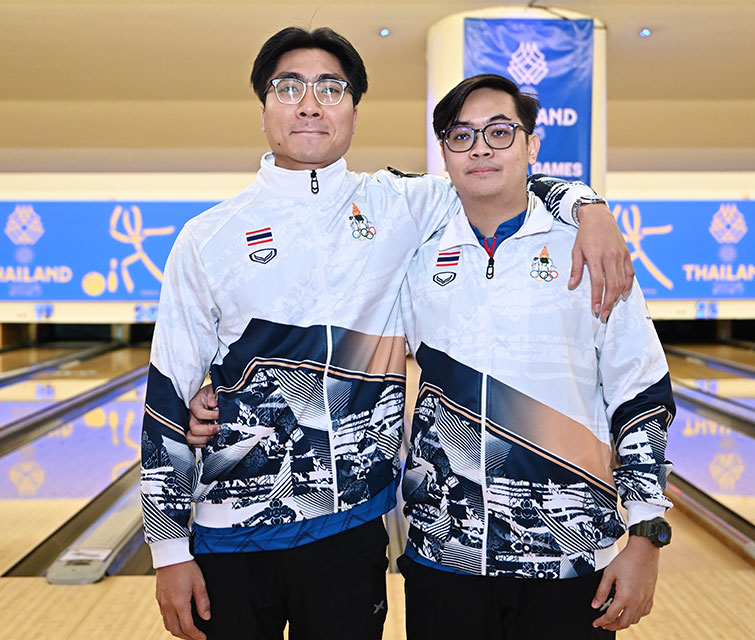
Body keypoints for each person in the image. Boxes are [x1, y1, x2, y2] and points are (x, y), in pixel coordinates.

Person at [144, 26, 632, 640]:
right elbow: (168, 392)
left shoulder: (400, 204)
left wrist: (590, 208)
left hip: (350, 530)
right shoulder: (207, 237)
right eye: (288, 87)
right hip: (229, 533)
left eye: (331, 88)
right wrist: (168, 549)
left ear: (353, 110)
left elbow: (498, 174)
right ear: (263, 107)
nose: (310, 104)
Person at [396, 74, 674, 639]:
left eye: (500, 132)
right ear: (444, 154)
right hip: (443, 555)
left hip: (571, 558)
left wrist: (646, 535)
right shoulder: (415, 252)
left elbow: (639, 391)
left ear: (532, 146)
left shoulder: (591, 250)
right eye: (461, 135)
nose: (480, 148)